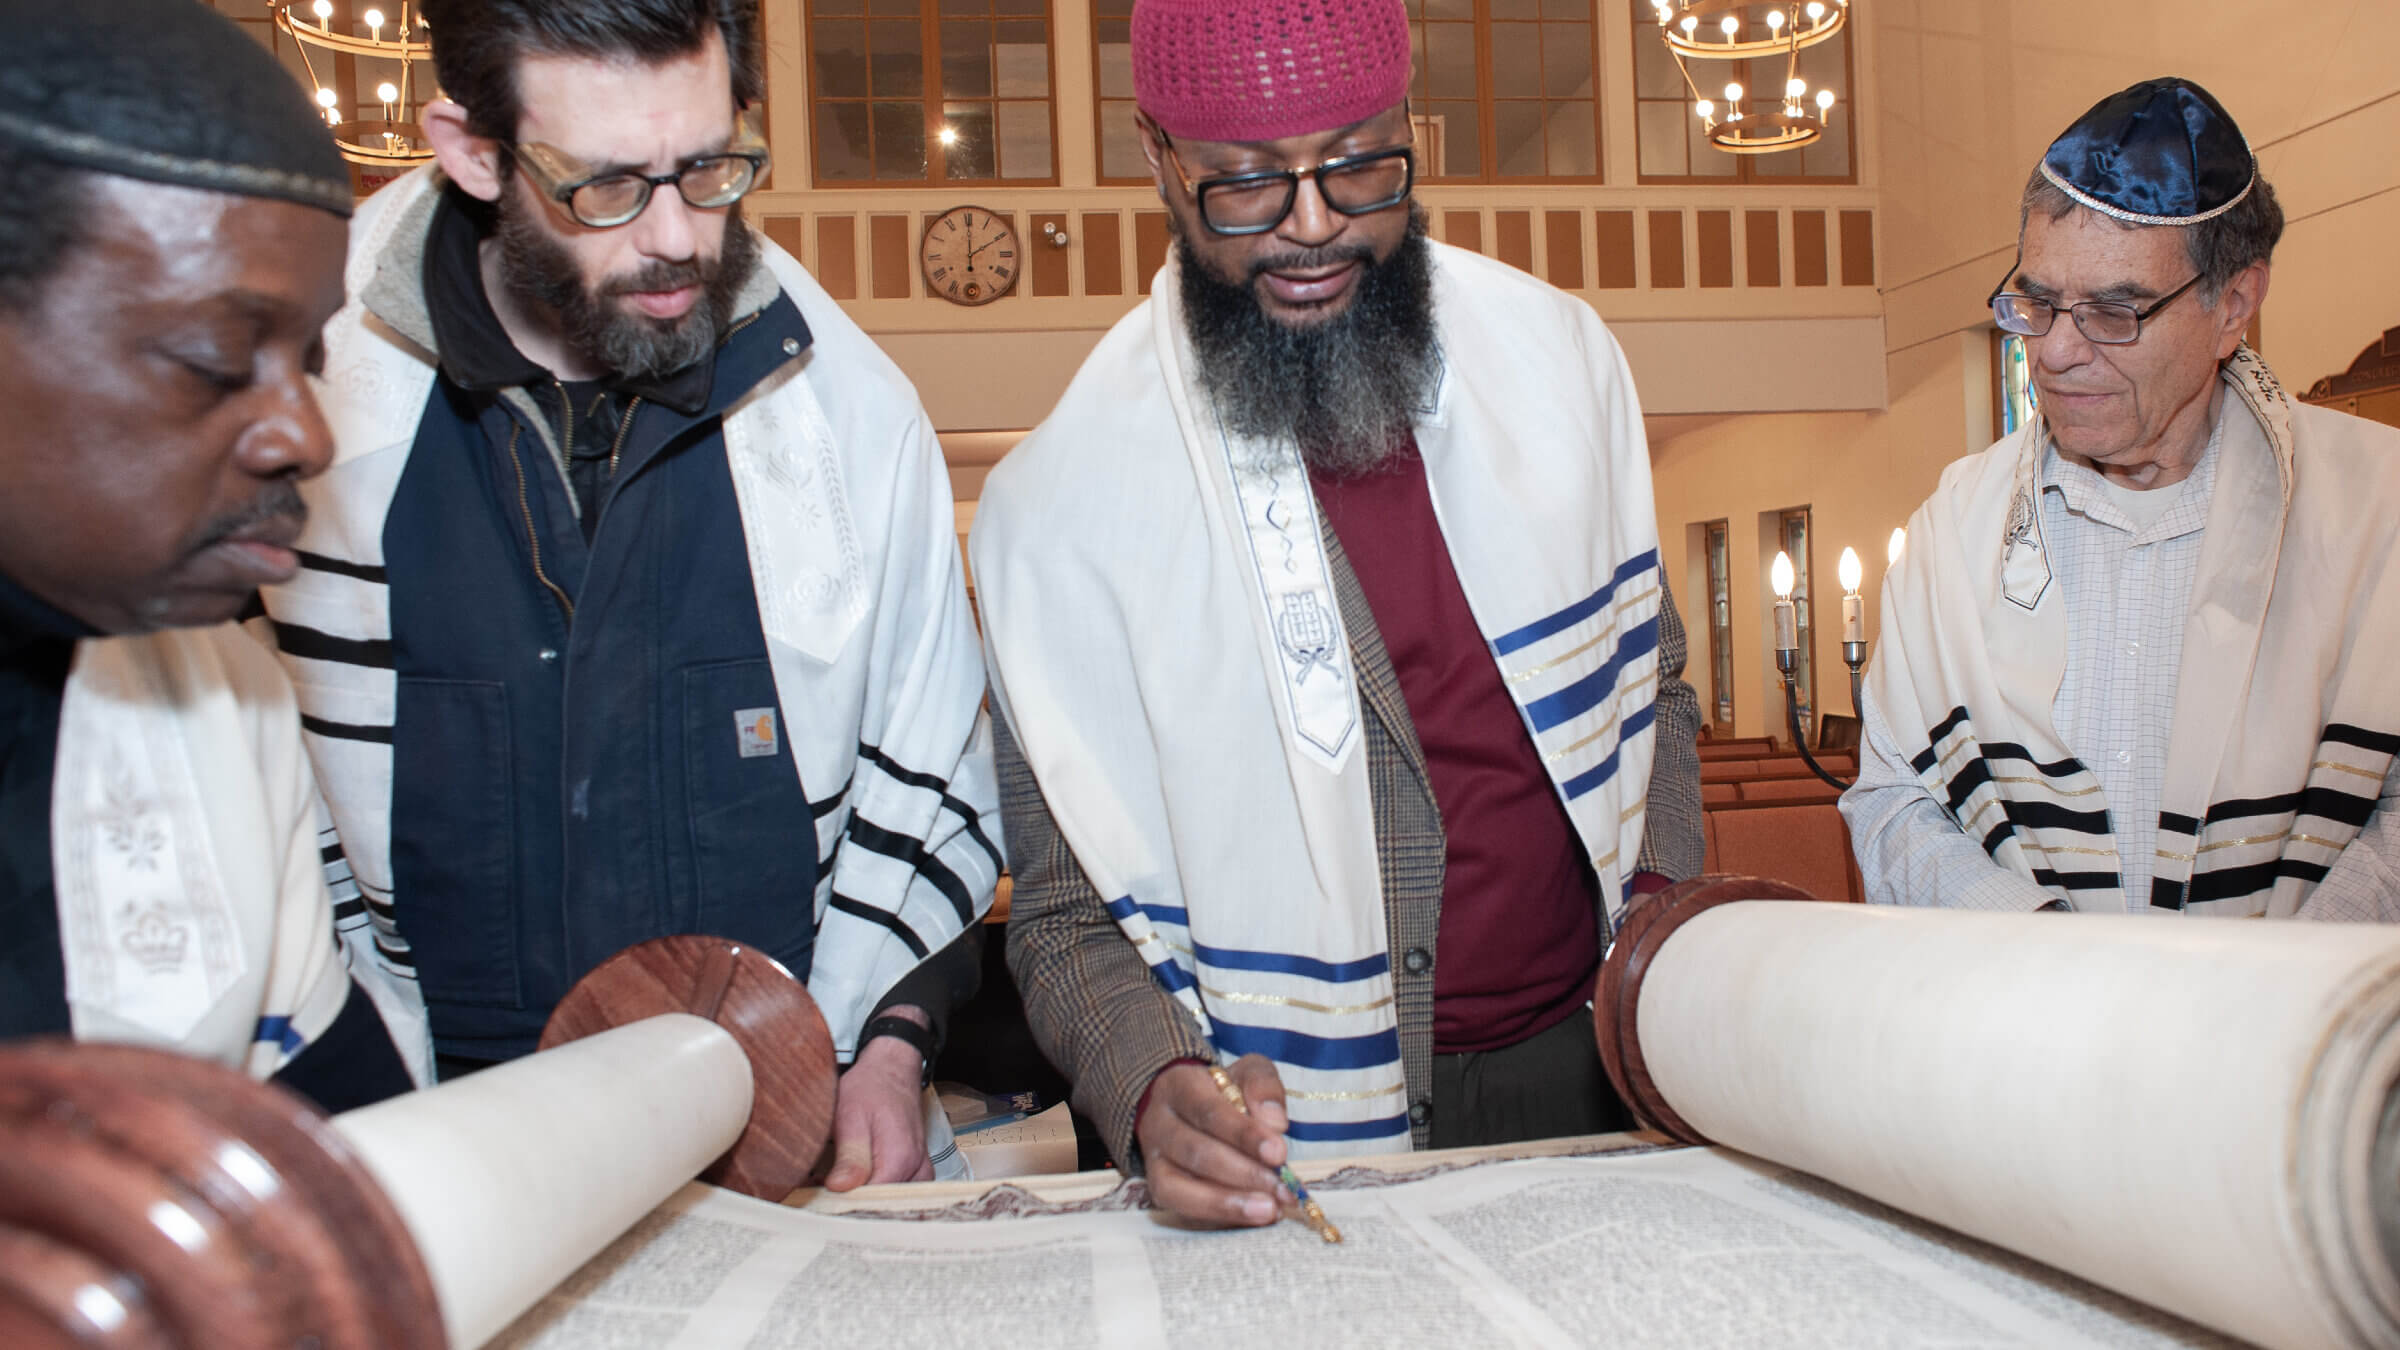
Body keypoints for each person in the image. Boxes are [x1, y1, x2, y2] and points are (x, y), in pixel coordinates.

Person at [971, 0, 1702, 1227]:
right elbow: (1060, 912)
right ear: (1158, 157)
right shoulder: (1062, 512)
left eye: (1360, 165)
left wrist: (1664, 921)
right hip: (1296, 1114)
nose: (1313, 228)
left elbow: (1659, 695)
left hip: (1599, 1061)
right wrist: (1152, 1087)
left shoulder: (1558, 367)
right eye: (1245, 187)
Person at [263, 0, 1000, 1186]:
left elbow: (929, 764)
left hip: (791, 1121)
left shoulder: (845, 405)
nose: (675, 239)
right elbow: (259, 832)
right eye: (605, 188)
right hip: (443, 1141)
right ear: (471, 152)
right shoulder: (304, 405)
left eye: (710, 169)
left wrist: (889, 1050)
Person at [1844, 77, 2400, 921]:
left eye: (2115, 312)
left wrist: (2279, 984)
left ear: (2234, 306)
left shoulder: (2374, 513)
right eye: (2037, 302)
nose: (2058, 351)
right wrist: (2051, 960)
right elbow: (1894, 799)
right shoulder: (1957, 527)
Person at [0, 0, 422, 1110]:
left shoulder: (225, 693)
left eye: (309, 356)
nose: (307, 434)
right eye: (218, 357)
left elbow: (338, 1140)